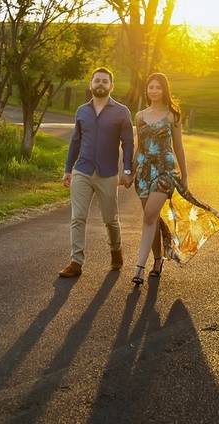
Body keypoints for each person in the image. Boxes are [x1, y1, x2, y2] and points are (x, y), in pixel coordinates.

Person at [132, 72, 219, 285]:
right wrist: (129, 171)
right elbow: (138, 148)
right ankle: (158, 259)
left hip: (165, 171)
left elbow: (179, 147)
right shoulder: (140, 116)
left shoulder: (173, 115)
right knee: (151, 218)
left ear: (165, 90)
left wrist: (185, 175)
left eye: (158, 87)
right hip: (144, 171)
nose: (153, 90)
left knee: (150, 215)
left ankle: (138, 269)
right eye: (150, 87)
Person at [59, 67, 134, 278]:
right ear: (90, 84)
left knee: (110, 219)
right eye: (97, 81)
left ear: (111, 86)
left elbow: (128, 143)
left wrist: (127, 170)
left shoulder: (122, 112)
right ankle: (76, 262)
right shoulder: (82, 111)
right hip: (82, 171)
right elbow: (75, 142)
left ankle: (116, 250)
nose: (100, 84)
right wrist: (68, 169)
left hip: (108, 173)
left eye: (104, 81)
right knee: (78, 217)